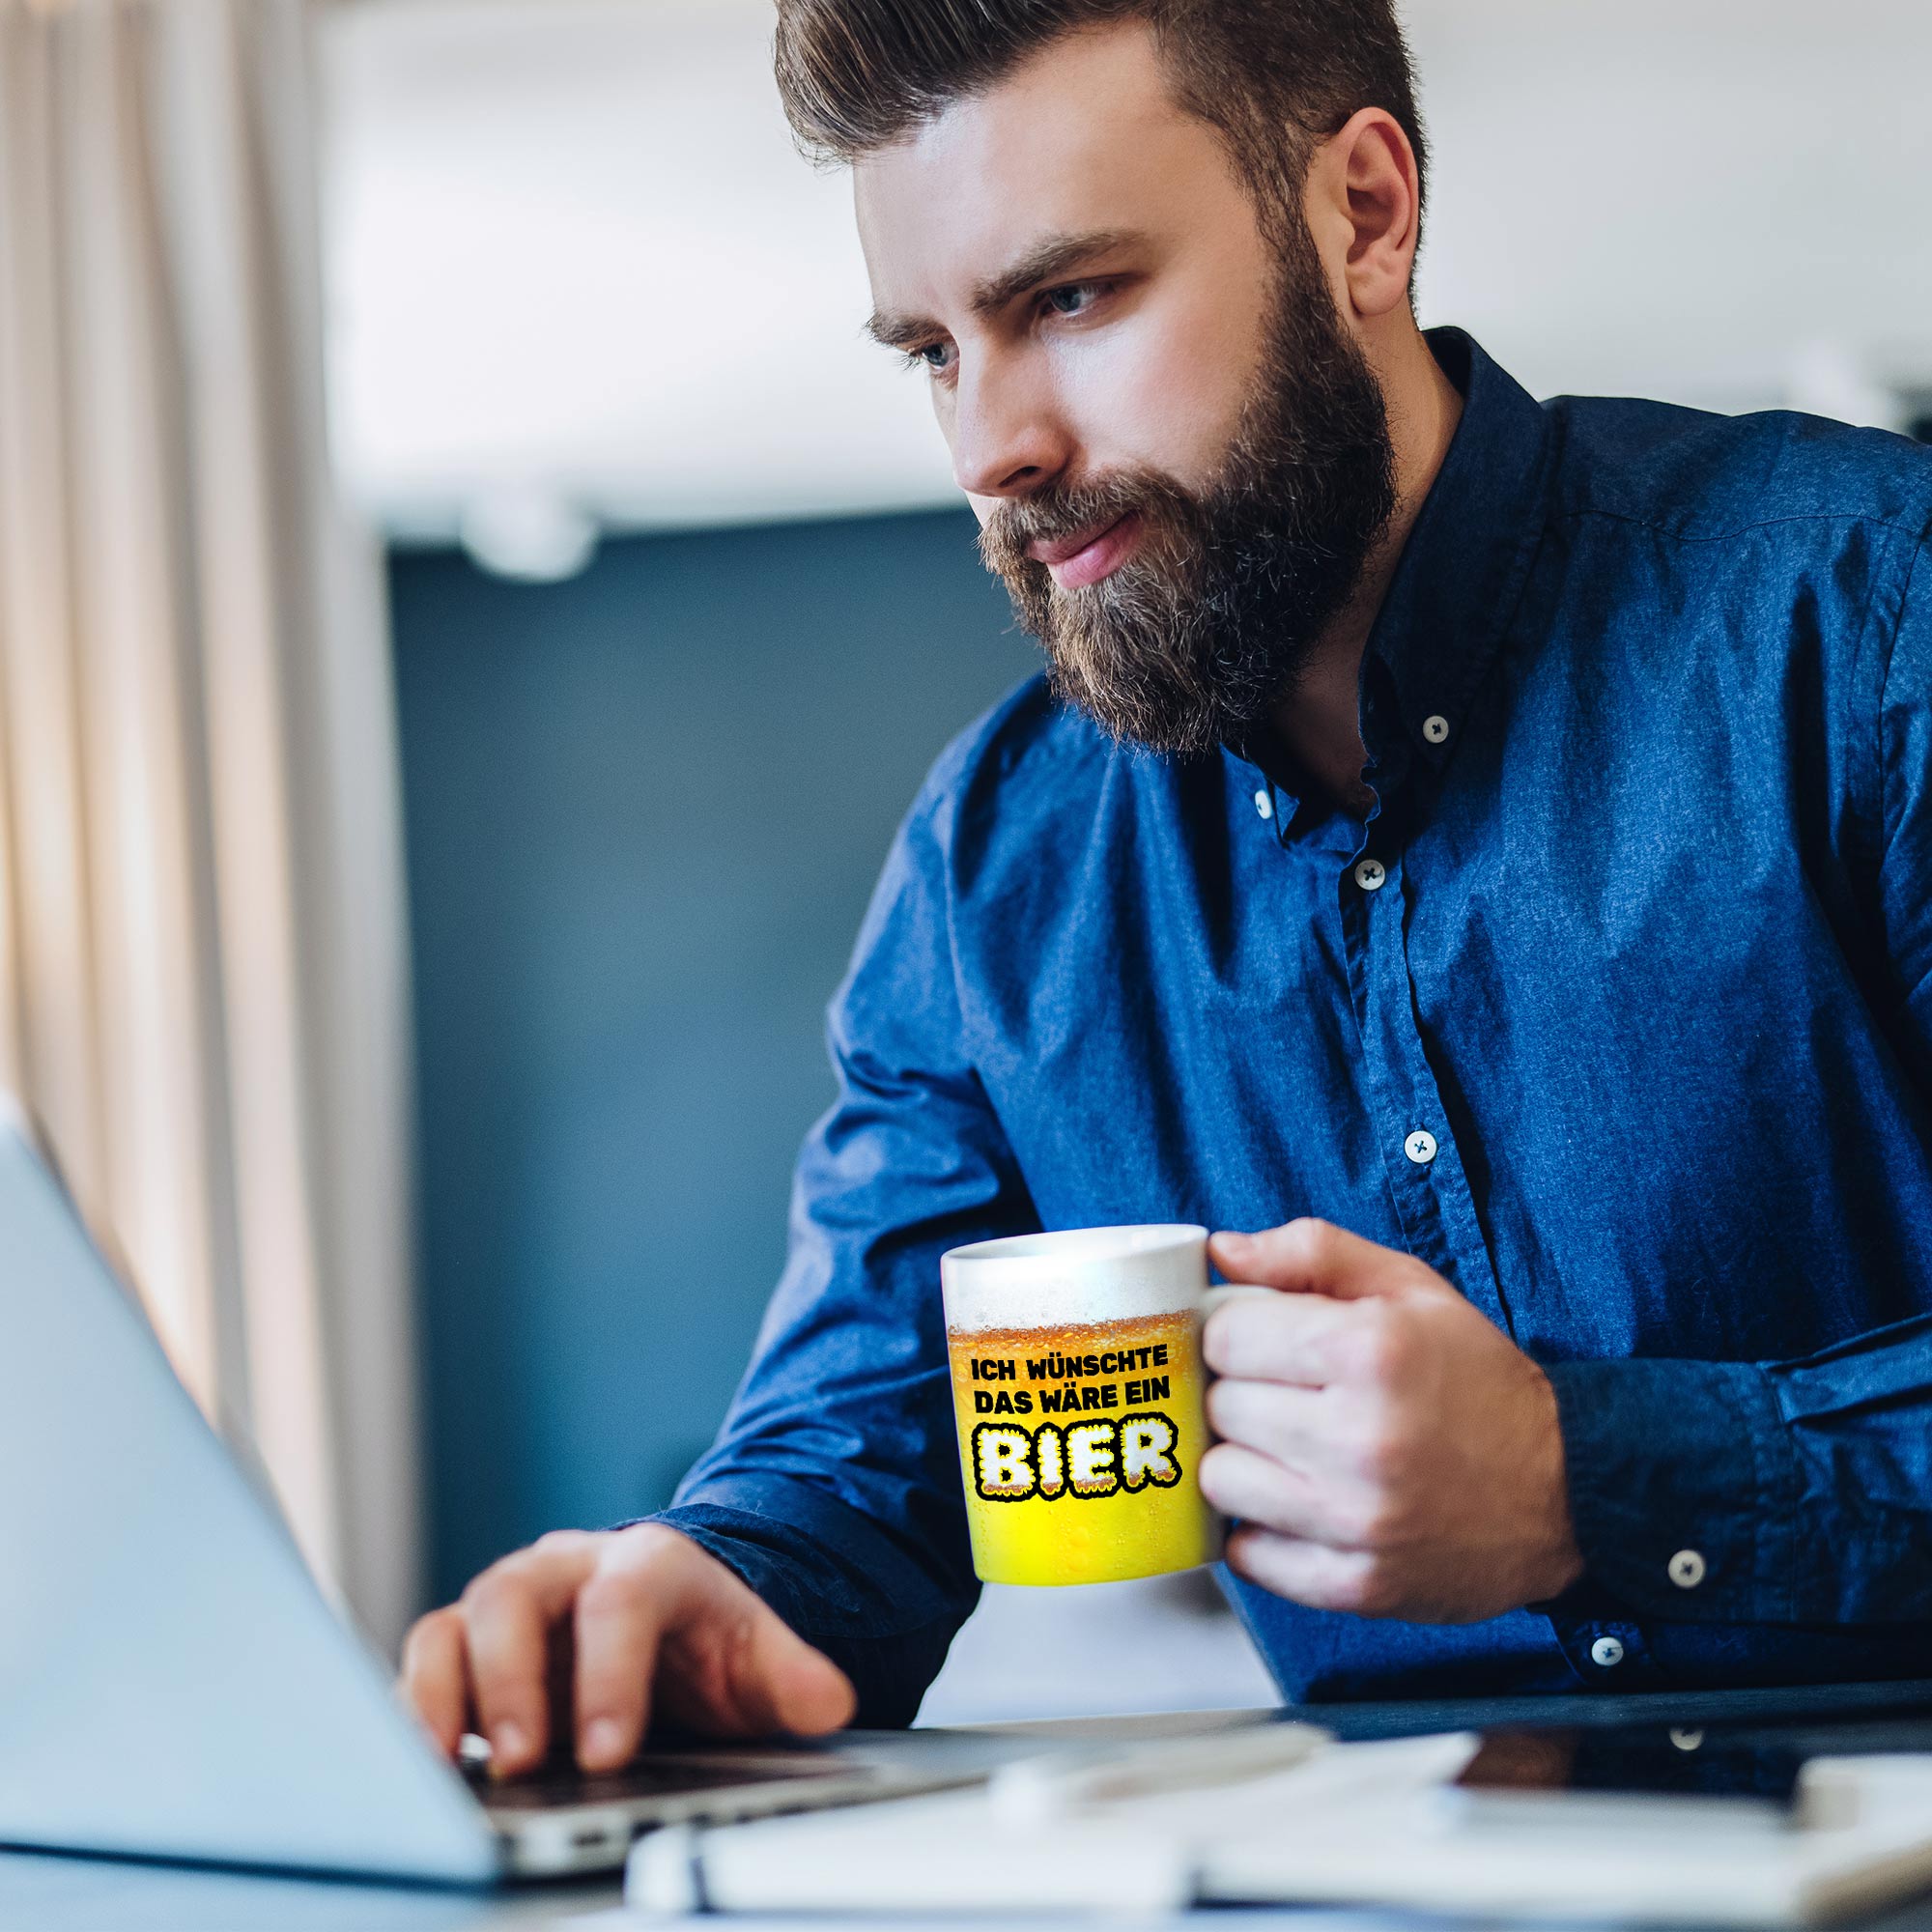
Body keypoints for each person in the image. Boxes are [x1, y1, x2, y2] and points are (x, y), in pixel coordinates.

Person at [402, 0, 1932, 1778]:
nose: (992, 449)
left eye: (1069, 299)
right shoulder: (998, 869)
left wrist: (1580, 1477)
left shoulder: (1873, 618)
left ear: (1363, 213)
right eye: (931, 350)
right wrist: (704, 1588)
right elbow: (852, 1449)